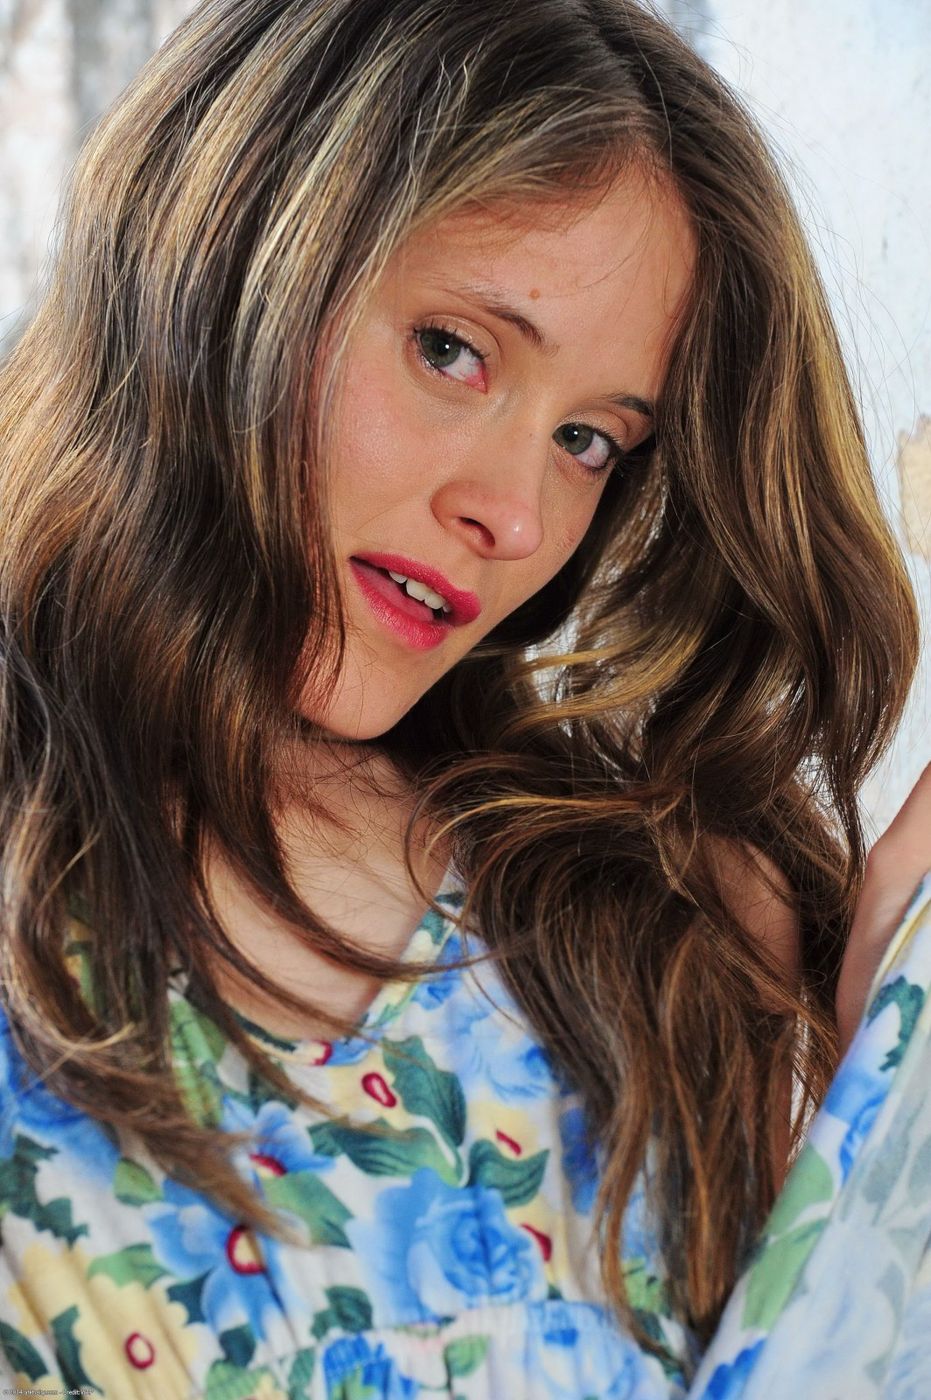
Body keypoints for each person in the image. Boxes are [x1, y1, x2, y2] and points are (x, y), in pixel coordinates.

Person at [0, 0, 926, 1395]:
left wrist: (885, 1122)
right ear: (231, 249)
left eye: (589, 440)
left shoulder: (650, 941)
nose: (516, 514)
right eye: (453, 351)